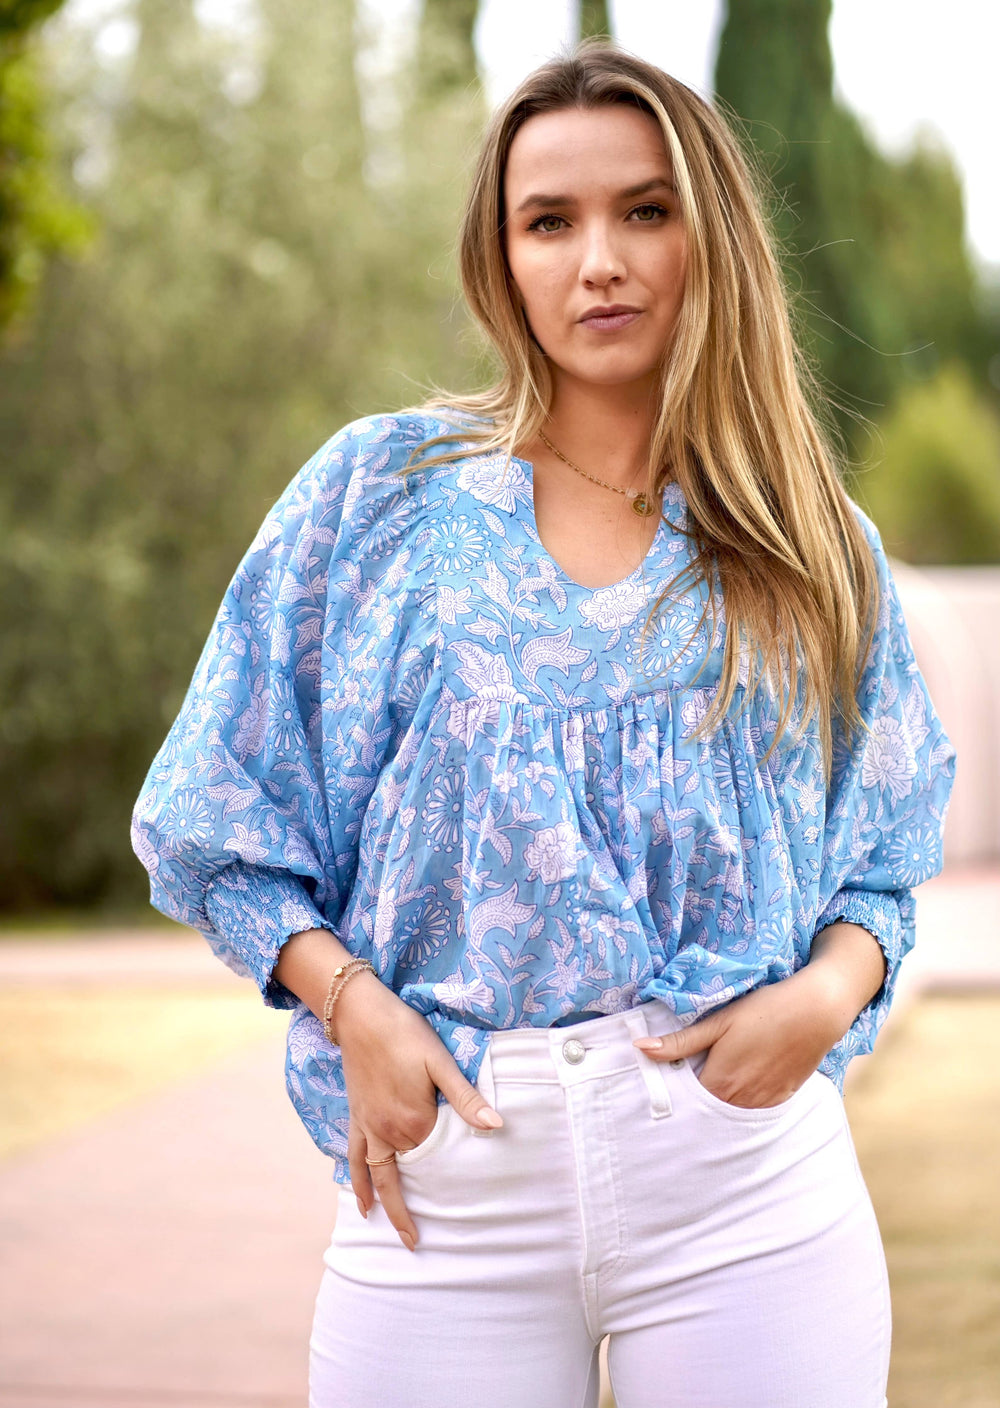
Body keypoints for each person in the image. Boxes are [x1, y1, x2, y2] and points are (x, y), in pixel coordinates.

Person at [131, 41, 956, 1408]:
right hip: (452, 1180)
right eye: (550, 222)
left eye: (645, 211)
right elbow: (212, 817)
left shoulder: (809, 542)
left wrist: (824, 999)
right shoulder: (379, 498)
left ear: (710, 237)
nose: (600, 263)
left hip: (742, 1184)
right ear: (500, 258)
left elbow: (884, 859)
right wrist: (352, 1006)